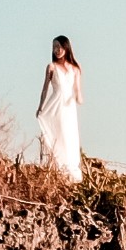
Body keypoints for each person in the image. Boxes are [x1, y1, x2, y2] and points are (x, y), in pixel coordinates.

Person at [36, 35, 83, 178]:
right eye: (54, 48)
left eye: (59, 47)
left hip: (69, 107)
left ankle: (72, 170)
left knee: (70, 135)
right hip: (56, 105)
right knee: (60, 133)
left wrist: (78, 97)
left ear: (66, 47)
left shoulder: (75, 69)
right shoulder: (51, 67)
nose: (57, 50)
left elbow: (77, 90)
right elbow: (45, 89)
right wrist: (40, 107)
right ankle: (60, 168)